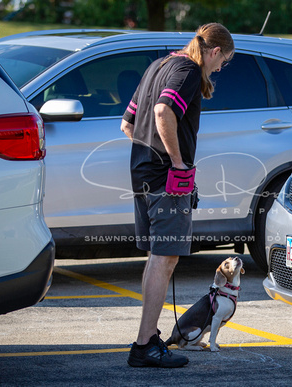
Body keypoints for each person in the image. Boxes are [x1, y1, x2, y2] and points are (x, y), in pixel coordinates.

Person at [120, 23, 234, 368]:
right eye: (223, 61)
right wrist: (177, 163)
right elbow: (161, 111)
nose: (219, 68)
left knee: (158, 256)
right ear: (214, 52)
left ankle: (148, 336)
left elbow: (128, 123)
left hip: (141, 174)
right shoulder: (187, 69)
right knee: (165, 258)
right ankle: (144, 347)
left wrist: (152, 157)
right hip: (165, 180)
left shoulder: (158, 65)